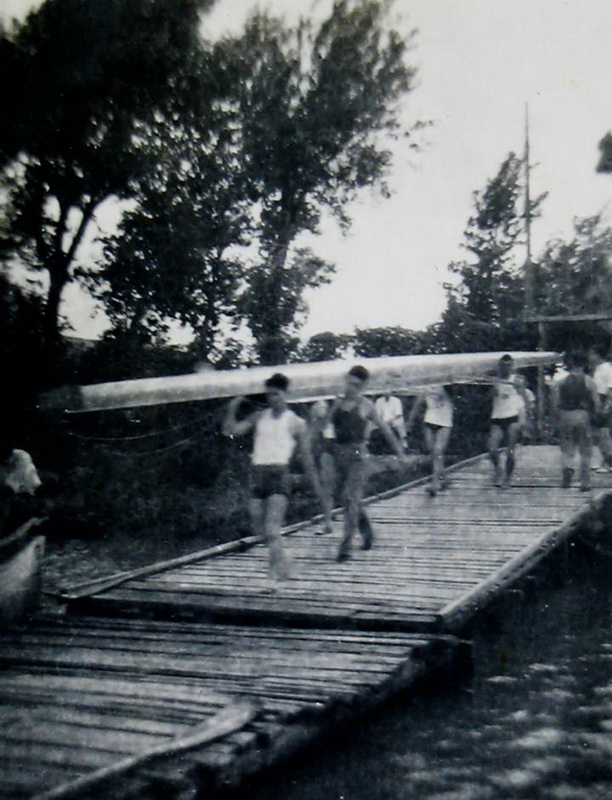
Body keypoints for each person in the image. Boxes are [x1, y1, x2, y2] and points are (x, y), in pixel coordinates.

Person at [223, 374, 322, 583]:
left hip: (279, 474)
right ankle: (284, 562)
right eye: (269, 395)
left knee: (272, 529)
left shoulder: (296, 422)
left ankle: (272, 576)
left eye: (276, 394)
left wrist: (315, 484)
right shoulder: (259, 416)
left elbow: (306, 457)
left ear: (286, 394)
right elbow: (229, 431)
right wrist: (233, 407)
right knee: (260, 529)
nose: (272, 399)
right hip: (258, 474)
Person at [313, 365, 407, 562]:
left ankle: (345, 547)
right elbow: (322, 426)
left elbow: (386, 430)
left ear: (363, 386)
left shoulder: (367, 406)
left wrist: (400, 453)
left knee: (350, 497)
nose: (351, 388)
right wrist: (319, 414)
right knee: (347, 499)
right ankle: (367, 531)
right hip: (338, 454)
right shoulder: (336, 403)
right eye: (349, 383)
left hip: (358, 455)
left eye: (356, 385)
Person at [552, 351, 599, 491]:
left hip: (565, 415)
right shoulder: (589, 381)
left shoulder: (561, 381)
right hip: (582, 415)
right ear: (584, 364)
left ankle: (568, 468)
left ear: (570, 364)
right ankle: (585, 482)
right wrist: (596, 416)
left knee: (567, 448)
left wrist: (556, 418)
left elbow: (555, 402)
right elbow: (596, 403)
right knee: (585, 451)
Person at [488, 354, 530, 488]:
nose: (505, 368)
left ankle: (507, 478)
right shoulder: (494, 380)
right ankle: (498, 470)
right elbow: (490, 396)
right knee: (492, 449)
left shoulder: (517, 380)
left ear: (511, 366)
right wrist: (494, 387)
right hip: (497, 417)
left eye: (508, 365)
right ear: (499, 366)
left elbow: (525, 399)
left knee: (509, 450)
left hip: (513, 416)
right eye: (503, 365)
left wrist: (525, 420)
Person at [406, 384, 454, 496]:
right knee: (433, 452)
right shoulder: (426, 386)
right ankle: (445, 478)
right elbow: (417, 404)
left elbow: (450, 398)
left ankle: (434, 484)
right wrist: (410, 421)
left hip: (445, 421)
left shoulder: (447, 385)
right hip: (430, 420)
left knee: (438, 450)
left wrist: (443, 392)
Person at [588, 343, 612, 473]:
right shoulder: (597, 369)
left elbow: (610, 389)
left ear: (597, 355)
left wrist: (607, 406)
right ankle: (603, 460)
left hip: (604, 401)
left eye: (591, 354)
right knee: (598, 435)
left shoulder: (607, 369)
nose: (589, 357)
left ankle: (608, 463)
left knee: (605, 434)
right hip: (596, 400)